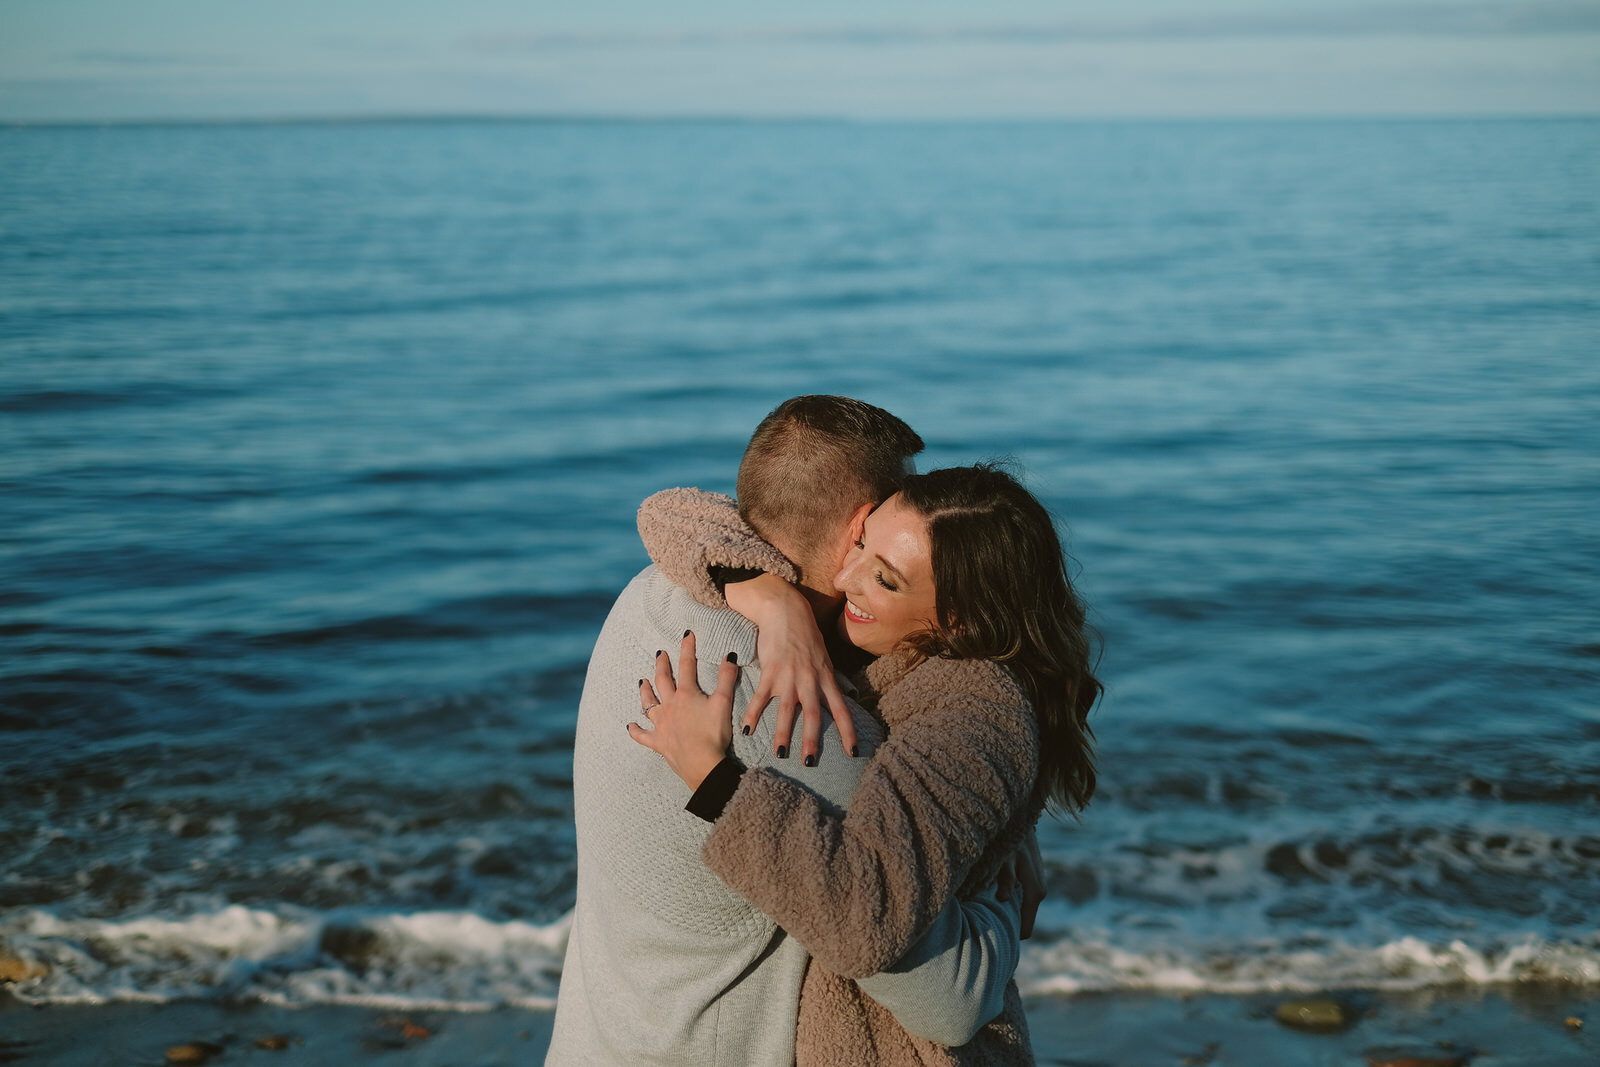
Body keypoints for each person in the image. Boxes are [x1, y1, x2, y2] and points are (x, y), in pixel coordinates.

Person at [548, 399, 1034, 1066]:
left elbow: (673, 513)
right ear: (865, 526)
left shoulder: (653, 591)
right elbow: (946, 999)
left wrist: (768, 593)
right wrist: (1001, 909)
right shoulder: (804, 713)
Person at [630, 463, 1102, 1065]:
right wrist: (775, 601)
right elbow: (666, 512)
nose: (844, 577)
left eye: (885, 579)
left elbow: (862, 916)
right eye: (860, 544)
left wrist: (714, 779)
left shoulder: (976, 713)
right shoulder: (894, 643)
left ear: (959, 620)